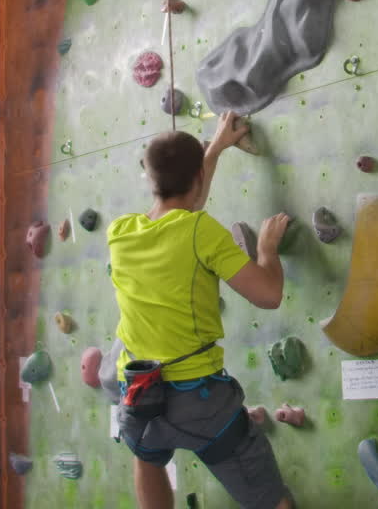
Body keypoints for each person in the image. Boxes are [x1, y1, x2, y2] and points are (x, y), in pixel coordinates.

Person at [108, 111, 293, 509]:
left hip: (139, 398)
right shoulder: (200, 230)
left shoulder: (121, 233)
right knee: (269, 500)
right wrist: (267, 251)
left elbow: (181, 209)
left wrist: (214, 148)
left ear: (149, 177)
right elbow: (268, 295)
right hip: (200, 403)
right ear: (196, 179)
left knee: (148, 458)